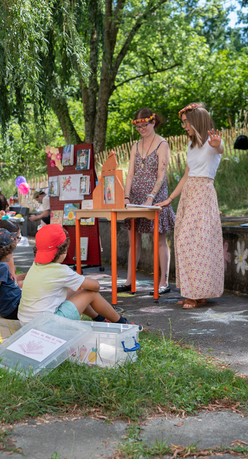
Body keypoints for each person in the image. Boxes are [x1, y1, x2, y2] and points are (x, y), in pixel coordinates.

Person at [156, 103, 224, 309]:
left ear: (197, 120)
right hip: (189, 195)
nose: (184, 126)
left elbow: (220, 149)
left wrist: (218, 144)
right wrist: (170, 199)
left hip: (203, 194)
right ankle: (195, 292)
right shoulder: (191, 146)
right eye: (183, 123)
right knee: (185, 241)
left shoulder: (212, 144)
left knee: (197, 242)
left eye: (186, 122)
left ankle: (195, 294)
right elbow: (186, 175)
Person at [18, 224, 130, 325]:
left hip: (26, 322)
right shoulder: (61, 270)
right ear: (62, 251)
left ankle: (100, 318)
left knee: (76, 290)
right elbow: (96, 286)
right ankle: (122, 322)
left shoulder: (36, 265)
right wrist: (82, 279)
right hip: (48, 325)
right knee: (91, 294)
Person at [118, 108, 175, 295]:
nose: (142, 129)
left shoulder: (162, 144)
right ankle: (129, 281)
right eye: (138, 126)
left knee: (159, 239)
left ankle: (163, 282)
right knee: (133, 238)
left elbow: (162, 173)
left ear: (153, 123)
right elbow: (130, 174)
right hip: (136, 196)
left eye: (145, 126)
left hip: (155, 196)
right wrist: (126, 197)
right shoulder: (135, 146)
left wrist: (152, 196)